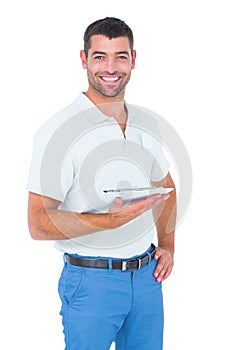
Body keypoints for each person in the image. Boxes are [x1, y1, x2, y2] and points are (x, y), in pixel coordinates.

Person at [27, 17, 177, 350]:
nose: (111, 67)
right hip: (91, 282)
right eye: (100, 57)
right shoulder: (59, 131)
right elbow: (38, 221)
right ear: (84, 60)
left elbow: (167, 187)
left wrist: (167, 244)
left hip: (147, 279)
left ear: (133, 60)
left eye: (120, 56)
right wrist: (108, 221)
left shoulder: (145, 123)